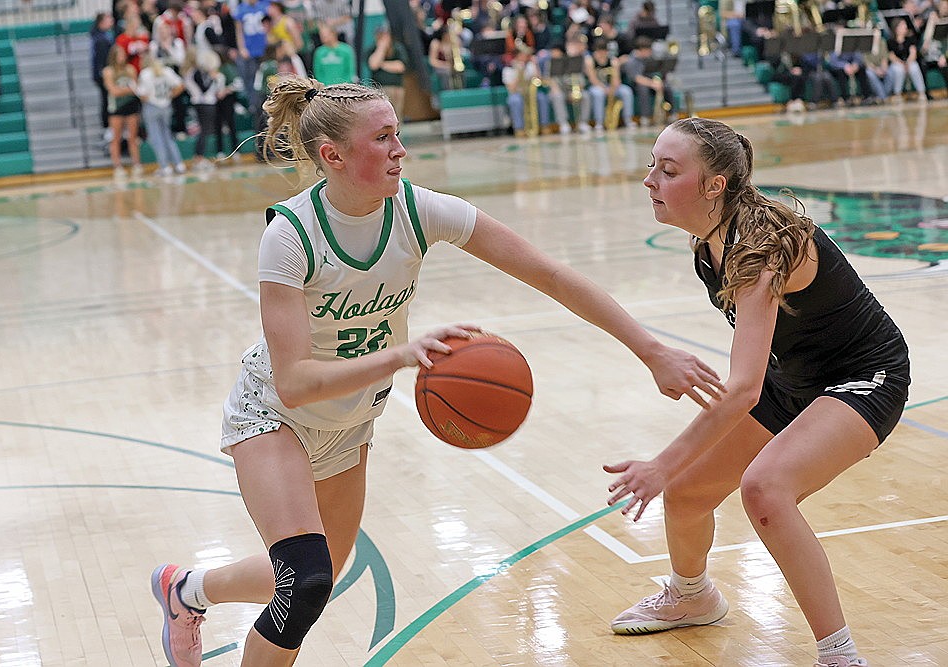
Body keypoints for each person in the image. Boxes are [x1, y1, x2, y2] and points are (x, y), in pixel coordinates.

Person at [149, 77, 725, 667]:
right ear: (333, 155)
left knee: (315, 573)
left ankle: (187, 591)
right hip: (275, 414)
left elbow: (548, 274)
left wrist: (650, 350)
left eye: (398, 133)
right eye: (384, 138)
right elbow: (295, 380)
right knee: (305, 581)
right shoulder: (290, 236)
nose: (401, 148)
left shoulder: (419, 211)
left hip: (349, 421)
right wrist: (401, 355)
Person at [605, 118, 910, 667]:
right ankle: (691, 596)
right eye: (653, 164)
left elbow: (742, 388)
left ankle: (840, 655)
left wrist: (660, 462)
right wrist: (674, 470)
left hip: (864, 373)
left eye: (668, 170)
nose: (649, 179)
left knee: (765, 490)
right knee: (688, 493)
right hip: (792, 376)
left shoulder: (762, 246)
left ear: (714, 185)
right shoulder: (708, 243)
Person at [136, 53, 187, 176]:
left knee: (156, 138)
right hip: (166, 106)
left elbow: (142, 95)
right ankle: (179, 164)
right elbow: (181, 85)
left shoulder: (145, 74)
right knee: (167, 136)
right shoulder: (167, 71)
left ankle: (164, 166)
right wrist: (170, 95)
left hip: (152, 106)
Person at [103, 44, 144, 177]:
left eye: (123, 54)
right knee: (116, 137)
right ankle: (117, 166)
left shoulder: (130, 69)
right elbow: (113, 91)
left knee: (133, 137)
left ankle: (137, 164)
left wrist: (128, 90)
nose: (122, 57)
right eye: (119, 55)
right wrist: (128, 90)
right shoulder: (108, 71)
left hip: (131, 105)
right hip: (116, 107)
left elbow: (137, 88)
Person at [366, 24, 409, 120]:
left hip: (397, 88)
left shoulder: (397, 48)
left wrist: (382, 64)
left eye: (385, 35)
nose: (383, 38)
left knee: (397, 116)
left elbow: (400, 66)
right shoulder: (372, 49)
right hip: (380, 89)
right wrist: (381, 48)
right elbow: (373, 64)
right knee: (382, 117)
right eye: (380, 35)